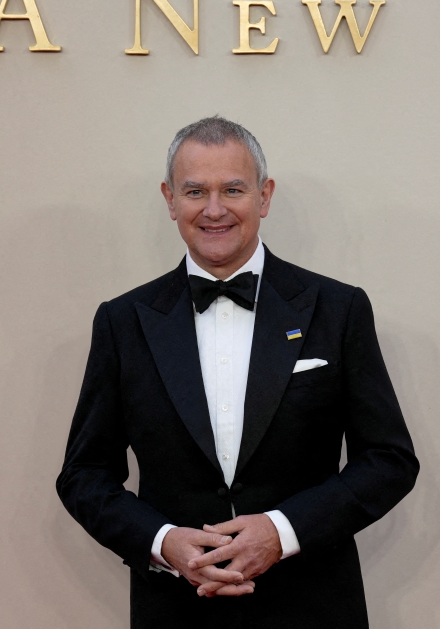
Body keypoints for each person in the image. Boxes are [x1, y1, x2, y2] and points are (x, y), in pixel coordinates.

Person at [56, 116, 419, 628]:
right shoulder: (122, 321)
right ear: (169, 199)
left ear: (264, 196)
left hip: (313, 607)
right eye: (195, 191)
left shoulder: (338, 309)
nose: (214, 209)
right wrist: (163, 542)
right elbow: (84, 475)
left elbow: (389, 460)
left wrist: (282, 532)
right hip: (176, 609)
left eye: (233, 189)